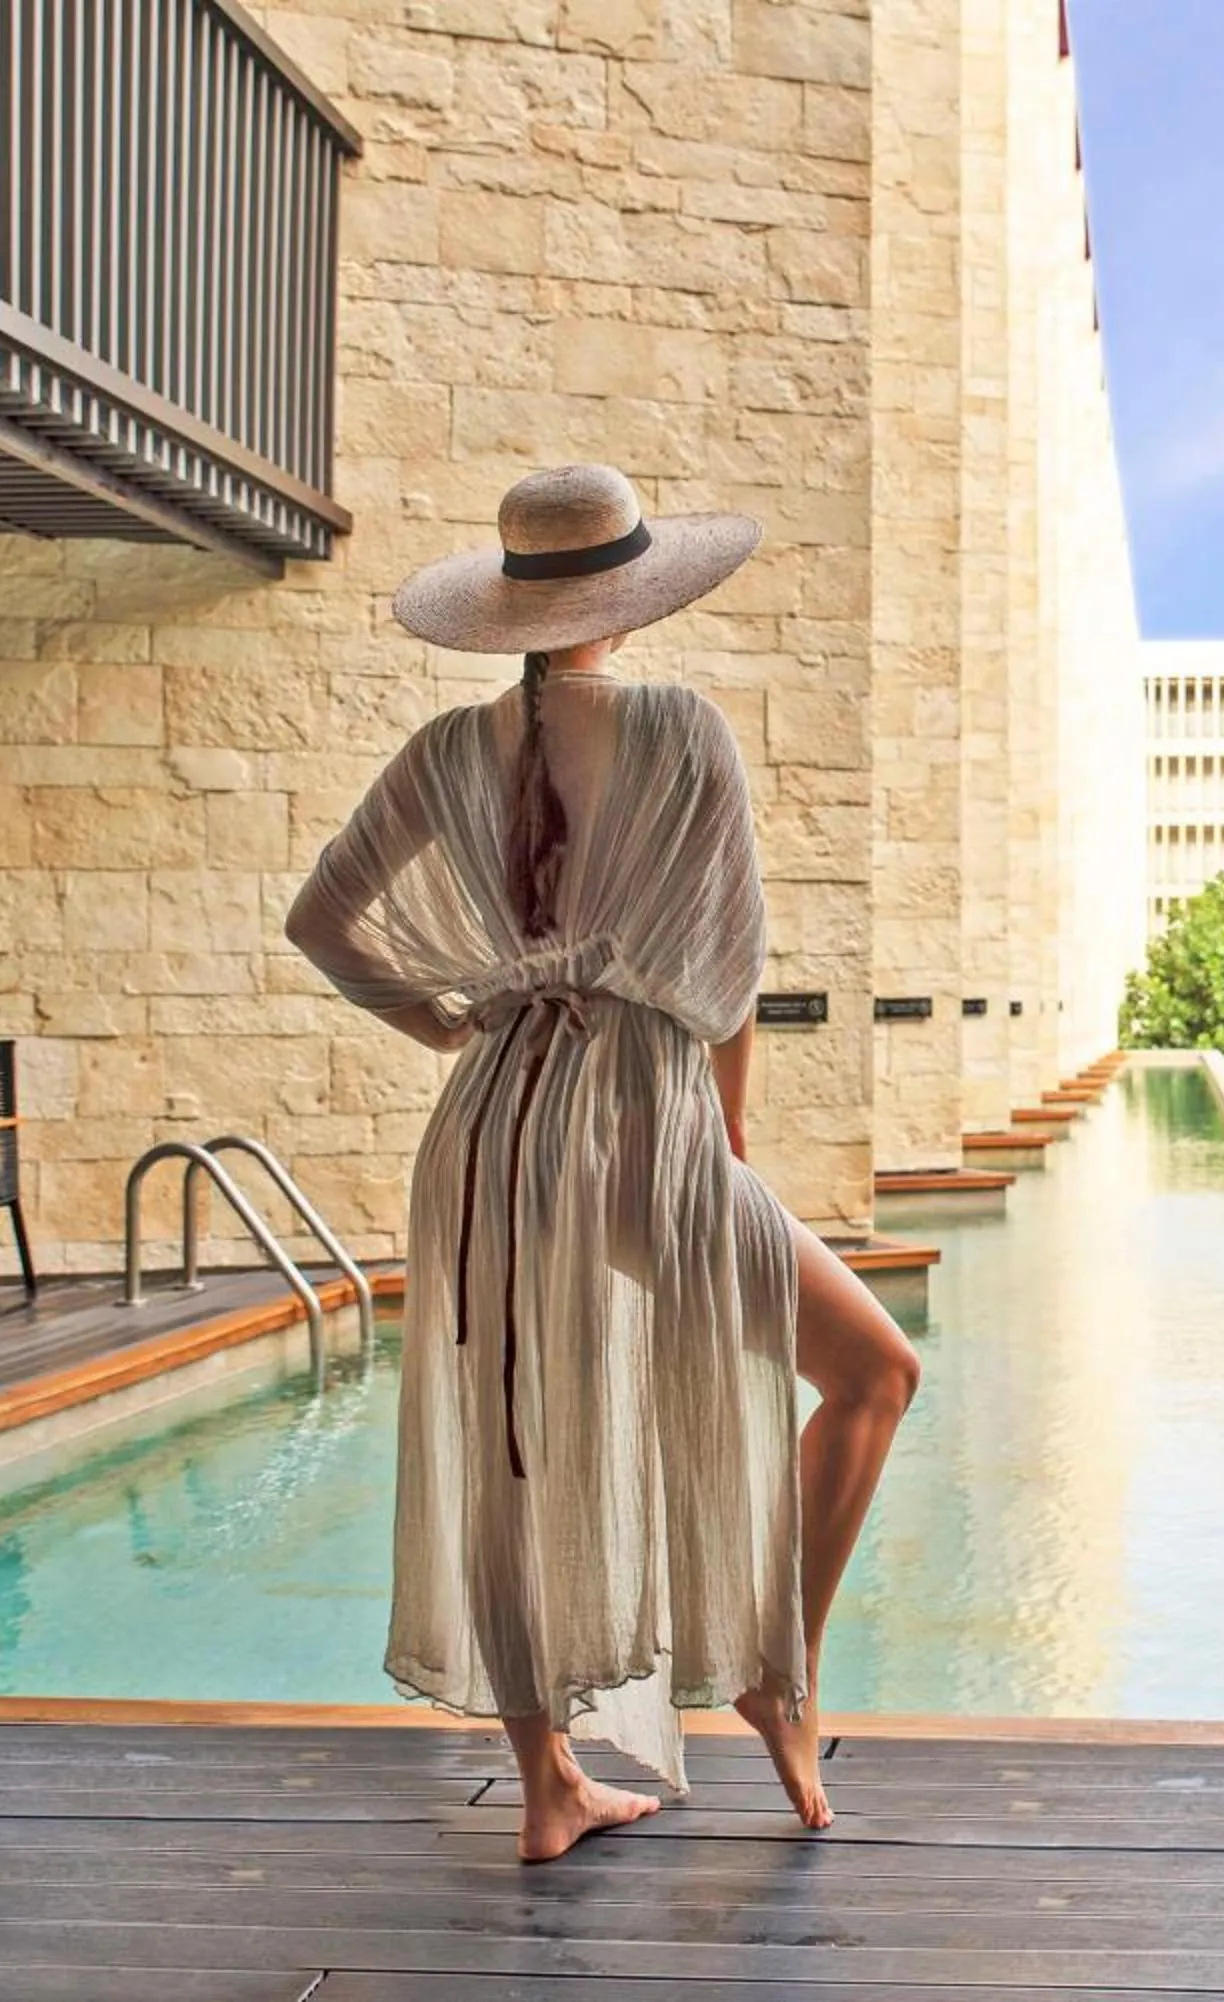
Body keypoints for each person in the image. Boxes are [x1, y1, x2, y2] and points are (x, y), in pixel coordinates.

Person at [284, 464, 920, 1862]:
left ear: (512, 610)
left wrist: (448, 1018)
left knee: (510, 1439)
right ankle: (776, 1668)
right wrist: (727, 1142)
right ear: (622, 608)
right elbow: (732, 971)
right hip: (639, 1123)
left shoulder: (444, 753)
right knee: (876, 1371)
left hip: (488, 1135)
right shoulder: (682, 731)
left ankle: (549, 1784)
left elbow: (321, 920)